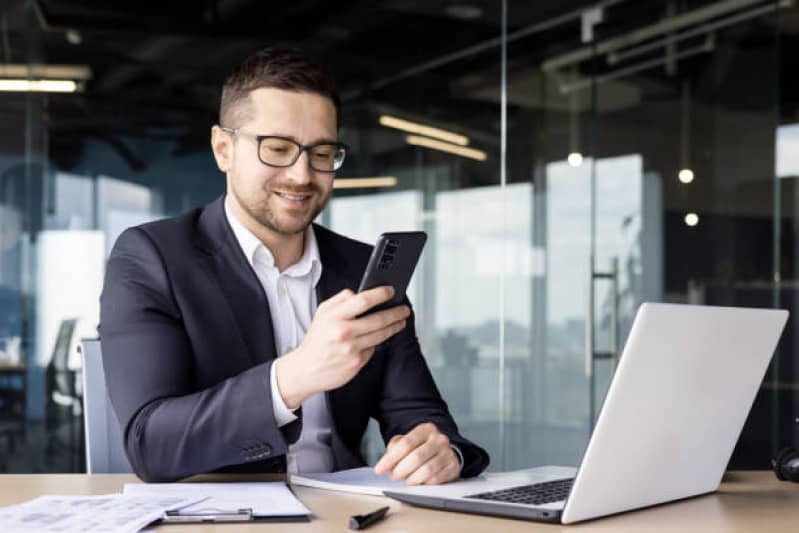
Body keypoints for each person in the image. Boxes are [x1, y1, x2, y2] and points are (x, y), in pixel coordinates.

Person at [99, 47, 489, 484]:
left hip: (346, 514)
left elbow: (421, 418)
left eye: (322, 153)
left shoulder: (362, 269)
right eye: (278, 148)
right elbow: (150, 443)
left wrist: (442, 452)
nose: (302, 175)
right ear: (223, 149)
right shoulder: (153, 257)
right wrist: (294, 376)